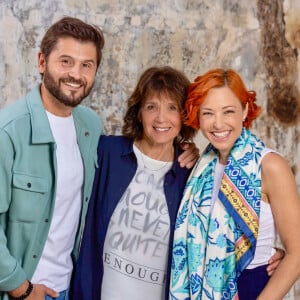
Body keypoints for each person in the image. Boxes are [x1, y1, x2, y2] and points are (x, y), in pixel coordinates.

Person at [0, 17, 199, 300]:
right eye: (65, 61)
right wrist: (21, 288)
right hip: (26, 290)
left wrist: (191, 151)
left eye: (86, 65)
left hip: (71, 286)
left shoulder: (90, 128)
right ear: (42, 62)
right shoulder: (8, 131)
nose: (75, 74)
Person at [170, 68, 300, 299]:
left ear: (245, 110)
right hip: (200, 288)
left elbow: (297, 253)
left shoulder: (269, 165)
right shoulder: (202, 167)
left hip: (253, 288)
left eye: (228, 111)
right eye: (208, 113)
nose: (218, 124)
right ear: (198, 116)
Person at [70, 66, 197, 300]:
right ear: (139, 112)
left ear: (184, 115)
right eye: (151, 107)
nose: (161, 118)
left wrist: (269, 253)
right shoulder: (107, 152)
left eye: (172, 108)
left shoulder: (191, 173)